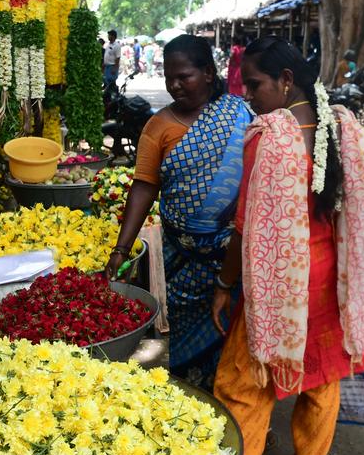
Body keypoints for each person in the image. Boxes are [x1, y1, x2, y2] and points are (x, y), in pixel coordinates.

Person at [201, 36, 364, 455]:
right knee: (322, 377)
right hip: (332, 276)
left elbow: (244, 224)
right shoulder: (339, 125)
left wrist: (224, 283)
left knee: (242, 385)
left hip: (280, 281)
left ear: (286, 81)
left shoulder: (269, 134)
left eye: (254, 84)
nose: (247, 95)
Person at [104, 35, 253, 389]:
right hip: (182, 259)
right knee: (184, 340)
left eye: (184, 76)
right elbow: (144, 185)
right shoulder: (159, 126)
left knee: (233, 341)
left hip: (233, 257)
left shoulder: (240, 116)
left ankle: (233, 404)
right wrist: (121, 248)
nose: (174, 85)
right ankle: (191, 400)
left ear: (208, 73)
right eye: (169, 78)